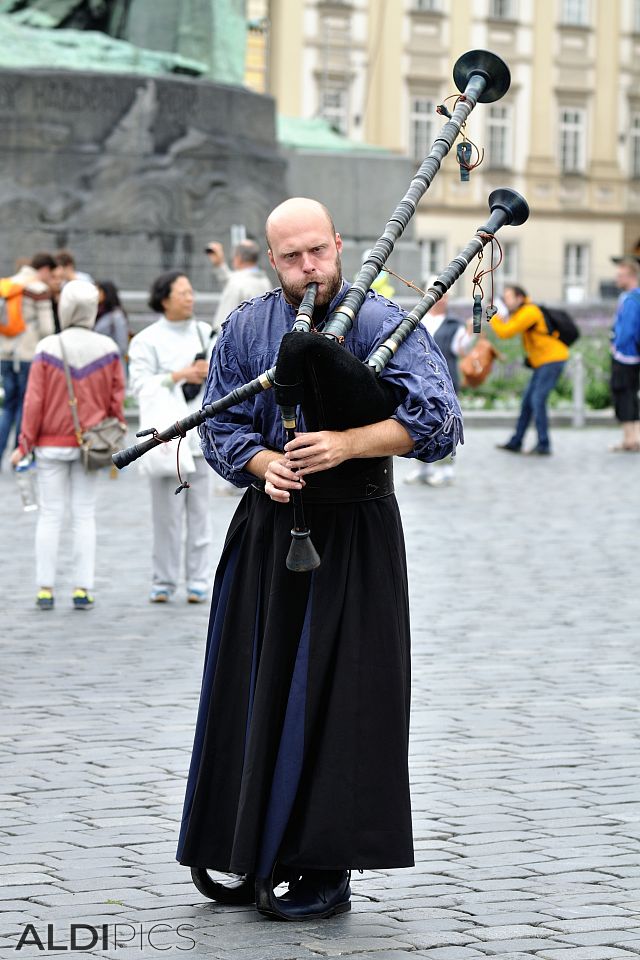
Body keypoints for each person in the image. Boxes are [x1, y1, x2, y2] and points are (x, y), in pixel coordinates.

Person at [176, 197, 462, 921]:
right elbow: (222, 425)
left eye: (319, 252)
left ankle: (322, 864)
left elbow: (436, 421)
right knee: (253, 686)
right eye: (293, 257)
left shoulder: (381, 321)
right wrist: (263, 460)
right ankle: (244, 848)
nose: (310, 269)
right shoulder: (247, 326)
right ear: (272, 261)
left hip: (355, 532)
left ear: (339, 243)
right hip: (270, 530)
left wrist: (347, 444)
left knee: (341, 699)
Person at [10, 280, 125, 610]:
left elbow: (33, 402)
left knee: (50, 514)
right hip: (92, 445)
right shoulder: (108, 349)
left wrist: (25, 443)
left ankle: (45, 588)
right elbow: (116, 401)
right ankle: (82, 588)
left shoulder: (47, 347)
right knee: (84, 515)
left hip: (49, 444)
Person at [128, 270, 214, 604]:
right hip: (163, 439)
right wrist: (178, 376)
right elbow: (139, 386)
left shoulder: (205, 332)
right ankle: (163, 579)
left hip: (201, 438)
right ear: (164, 299)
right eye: (183, 293)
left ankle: (198, 579)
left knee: (200, 513)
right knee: (165, 517)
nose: (190, 298)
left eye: (191, 292)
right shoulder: (147, 340)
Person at [405, 285, 474, 485]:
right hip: (418, 381)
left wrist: (471, 332)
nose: (439, 298)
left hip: (445, 381)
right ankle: (422, 467)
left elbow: (461, 350)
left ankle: (445, 469)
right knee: (417, 424)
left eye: (444, 295)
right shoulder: (418, 319)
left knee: (446, 426)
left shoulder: (454, 324)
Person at [492, 284, 568, 456]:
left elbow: (506, 332)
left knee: (537, 400)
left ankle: (544, 444)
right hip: (543, 362)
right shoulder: (524, 311)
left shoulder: (529, 312)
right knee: (528, 402)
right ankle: (516, 441)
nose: (505, 301)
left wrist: (493, 317)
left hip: (552, 360)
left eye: (508, 297)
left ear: (519, 298)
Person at [0, 253, 56, 467]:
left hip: (5, 354)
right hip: (27, 355)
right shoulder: (37, 289)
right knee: (26, 405)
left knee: (7, 406)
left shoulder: (8, 284)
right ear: (44, 270)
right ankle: (20, 454)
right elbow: (47, 328)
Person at [205, 239, 271, 332]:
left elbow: (224, 322)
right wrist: (219, 264)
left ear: (238, 257)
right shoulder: (264, 282)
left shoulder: (236, 284)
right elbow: (230, 279)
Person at [609, 256, 640, 452]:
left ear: (630, 276)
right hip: (634, 355)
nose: (617, 279)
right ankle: (635, 437)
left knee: (623, 394)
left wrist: (616, 346)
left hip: (625, 356)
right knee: (633, 395)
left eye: (620, 275)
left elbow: (627, 330)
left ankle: (629, 439)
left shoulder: (631, 299)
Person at [94, 280, 130, 364]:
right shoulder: (98, 313)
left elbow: (122, 345)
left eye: (99, 291)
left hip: (111, 363)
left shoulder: (116, 316)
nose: (96, 294)